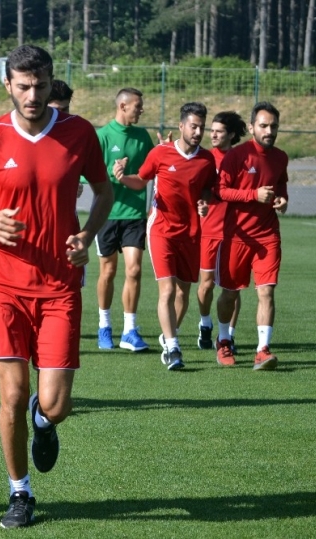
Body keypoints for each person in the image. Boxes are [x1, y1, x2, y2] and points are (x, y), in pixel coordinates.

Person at [0, 45, 113, 528]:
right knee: (13, 394)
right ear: (8, 86)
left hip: (61, 284)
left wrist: (86, 235)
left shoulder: (79, 133)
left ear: (51, 83)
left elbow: (103, 192)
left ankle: (44, 425)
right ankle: (20, 491)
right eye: (23, 86)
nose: (33, 94)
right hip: (2, 282)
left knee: (56, 405)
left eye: (41, 85)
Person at [113, 102, 215, 370]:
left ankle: (169, 335)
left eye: (201, 127)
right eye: (193, 126)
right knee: (167, 290)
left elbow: (208, 189)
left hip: (191, 233)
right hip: (161, 230)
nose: (198, 131)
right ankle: (172, 348)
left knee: (183, 292)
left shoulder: (207, 159)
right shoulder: (161, 154)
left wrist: (204, 202)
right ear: (181, 126)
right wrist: (123, 177)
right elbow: (140, 180)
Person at [214, 102, 288, 370]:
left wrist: (281, 200)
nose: (269, 131)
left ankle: (263, 349)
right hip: (237, 236)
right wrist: (252, 195)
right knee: (230, 294)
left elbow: (281, 186)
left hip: (267, 235)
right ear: (253, 126)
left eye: (274, 126)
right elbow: (221, 191)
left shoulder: (280, 157)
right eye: (264, 126)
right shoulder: (237, 156)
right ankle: (223, 340)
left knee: (266, 291)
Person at [92, 88, 155, 352]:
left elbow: (154, 171)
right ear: (123, 106)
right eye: (137, 106)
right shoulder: (102, 136)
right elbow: (87, 175)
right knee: (108, 271)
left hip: (134, 216)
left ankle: (130, 330)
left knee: (134, 269)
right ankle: (104, 325)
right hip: (106, 215)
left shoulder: (143, 137)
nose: (141, 110)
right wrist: (112, 171)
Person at [196, 111, 247, 356]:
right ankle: (205, 324)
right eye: (212, 130)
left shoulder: (242, 159)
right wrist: (201, 203)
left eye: (219, 131)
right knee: (205, 284)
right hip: (210, 230)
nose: (213, 134)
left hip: (236, 233)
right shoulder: (205, 158)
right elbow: (198, 189)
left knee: (233, 288)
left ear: (232, 135)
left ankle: (228, 336)